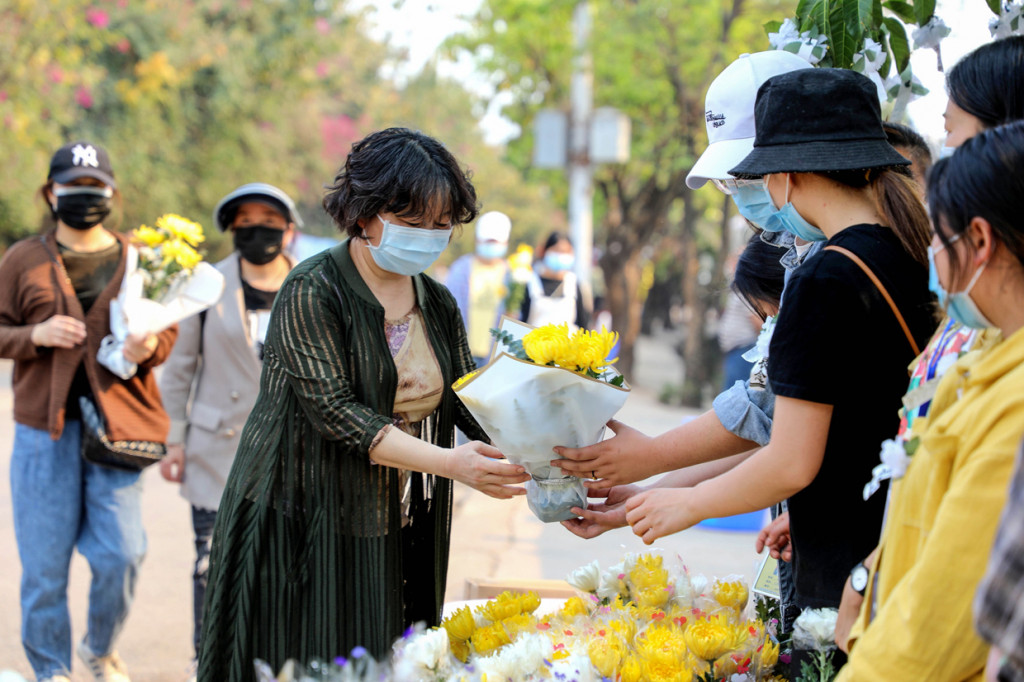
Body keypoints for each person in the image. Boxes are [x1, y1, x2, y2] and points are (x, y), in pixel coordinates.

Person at [196, 128, 531, 682]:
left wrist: (547, 441)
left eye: (441, 223)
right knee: (300, 662)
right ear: (363, 211)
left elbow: (466, 395)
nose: (428, 235)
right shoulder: (312, 290)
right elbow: (337, 413)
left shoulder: (437, 300)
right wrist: (454, 465)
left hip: (389, 518)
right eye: (411, 220)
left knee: (380, 659)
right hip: (297, 515)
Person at [834, 121, 1024, 681]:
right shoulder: (986, 363)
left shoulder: (1014, 402)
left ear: (982, 243)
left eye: (938, 238)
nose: (932, 259)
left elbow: (946, 612)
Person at [0, 141, 177, 682]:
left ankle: (99, 649)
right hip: (43, 435)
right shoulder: (23, 258)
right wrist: (35, 334)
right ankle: (51, 669)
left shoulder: (142, 259)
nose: (84, 196)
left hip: (119, 433)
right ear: (51, 193)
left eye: (94, 187)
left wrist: (148, 348)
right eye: (72, 187)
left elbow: (166, 330)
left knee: (122, 556)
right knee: (44, 573)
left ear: (112, 193)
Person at [158, 183, 301, 667]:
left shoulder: (311, 286)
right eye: (244, 219)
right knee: (211, 566)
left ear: (288, 228)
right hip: (215, 450)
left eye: (267, 217)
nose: (255, 227)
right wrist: (173, 440)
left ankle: (266, 663)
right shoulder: (205, 284)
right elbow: (179, 369)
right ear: (231, 228)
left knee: (276, 566)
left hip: (290, 453)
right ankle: (211, 662)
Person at [445, 210, 512, 367]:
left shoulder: (513, 274)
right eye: (488, 241)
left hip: (498, 356)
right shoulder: (461, 269)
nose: (491, 246)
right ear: (477, 240)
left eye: (496, 242)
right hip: (464, 352)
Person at [521, 231, 590, 329]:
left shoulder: (573, 283)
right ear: (545, 252)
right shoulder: (531, 282)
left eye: (566, 252)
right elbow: (520, 320)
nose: (561, 255)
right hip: (535, 343)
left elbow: (583, 324)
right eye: (557, 250)